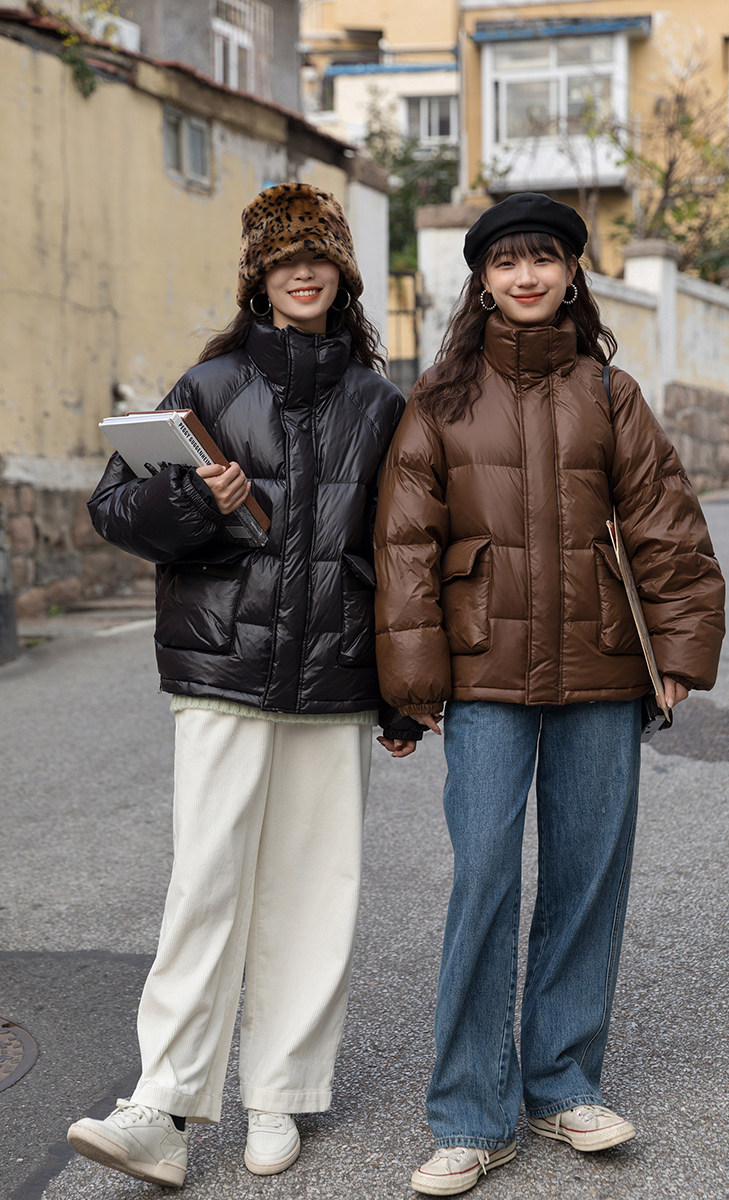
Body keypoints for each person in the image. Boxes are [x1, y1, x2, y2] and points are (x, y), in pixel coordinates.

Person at [67, 182, 419, 1188]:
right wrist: (194, 499)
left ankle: (279, 1094)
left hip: (335, 677)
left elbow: (402, 554)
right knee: (205, 884)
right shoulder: (208, 385)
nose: (301, 273)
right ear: (257, 280)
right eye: (281, 261)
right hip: (222, 667)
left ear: (342, 275)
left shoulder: (378, 403)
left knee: (315, 890)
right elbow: (114, 509)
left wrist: (404, 684)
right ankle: (163, 1106)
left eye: (317, 258)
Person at [373, 193, 726, 1196]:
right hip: (483, 671)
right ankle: (469, 1114)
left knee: (586, 878)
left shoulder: (609, 392)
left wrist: (678, 649)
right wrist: (410, 679)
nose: (525, 277)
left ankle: (562, 1083)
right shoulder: (438, 399)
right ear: (481, 280)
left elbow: (664, 525)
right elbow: (403, 545)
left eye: (544, 260)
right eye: (506, 262)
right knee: (484, 877)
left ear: (572, 274)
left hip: (599, 665)